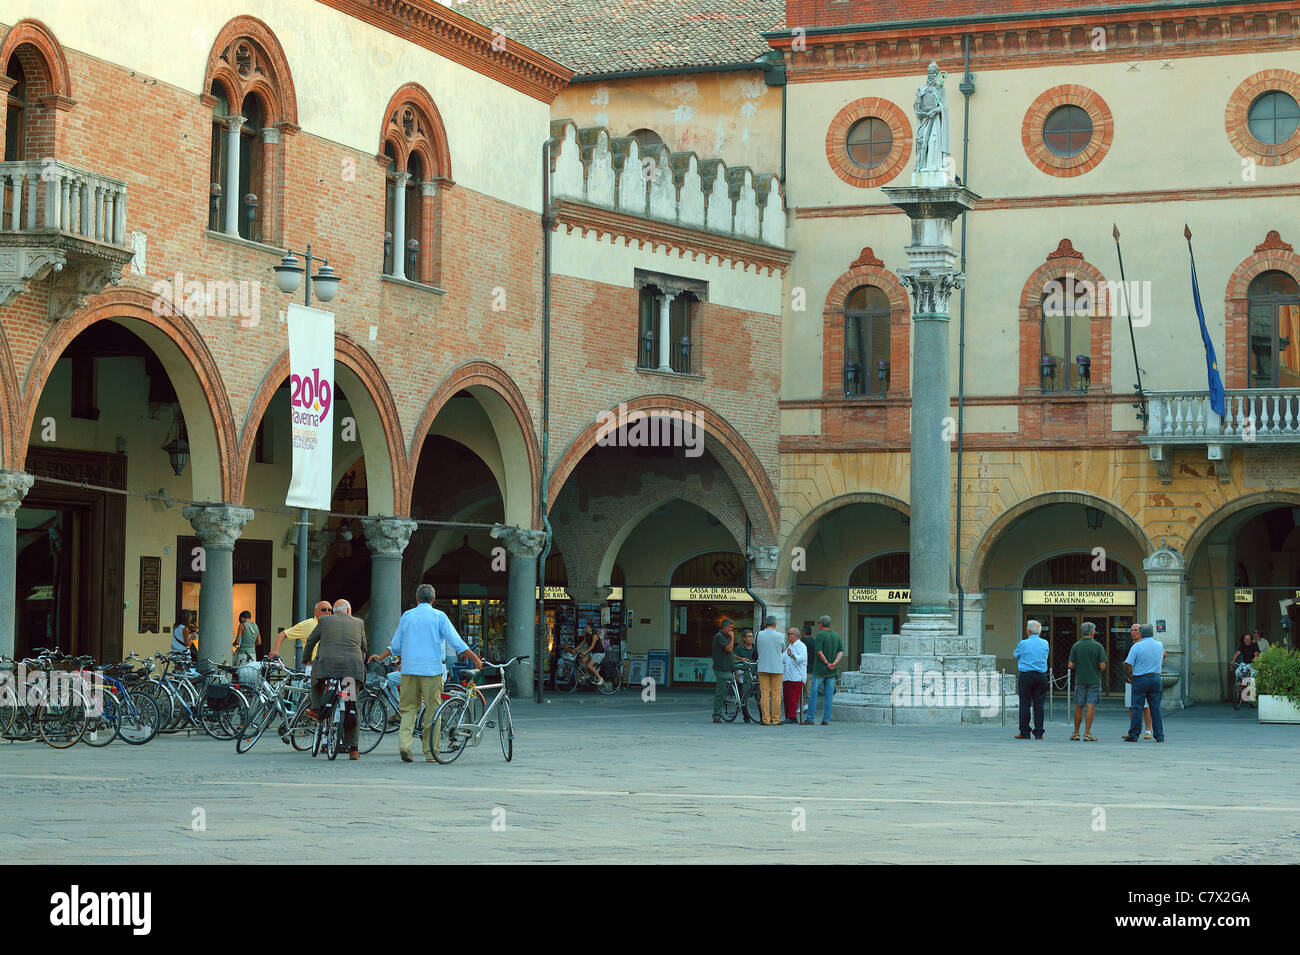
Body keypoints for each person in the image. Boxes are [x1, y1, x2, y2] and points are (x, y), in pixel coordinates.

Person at [369, 583, 483, 763]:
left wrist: (381, 656)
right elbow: (456, 642)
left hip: (409, 671)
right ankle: (431, 752)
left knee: (407, 709)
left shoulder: (408, 616)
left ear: (417, 599)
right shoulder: (439, 616)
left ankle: (405, 746)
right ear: (433, 599)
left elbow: (396, 645)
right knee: (433, 711)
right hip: (432, 671)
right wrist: (475, 659)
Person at [302, 599, 369, 760]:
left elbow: (311, 641)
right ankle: (353, 749)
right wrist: (360, 661)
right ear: (348, 611)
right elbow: (364, 648)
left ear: (335, 611)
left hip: (327, 668)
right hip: (351, 671)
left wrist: (306, 658)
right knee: (351, 702)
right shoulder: (358, 622)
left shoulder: (324, 620)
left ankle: (317, 708)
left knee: (316, 676)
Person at [1124, 624, 1165, 742]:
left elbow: (1128, 663)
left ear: (1141, 633)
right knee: (1155, 708)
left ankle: (1134, 734)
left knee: (1137, 707)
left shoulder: (1137, 646)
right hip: (1156, 678)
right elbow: (1163, 657)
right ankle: (1159, 734)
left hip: (1140, 678)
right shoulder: (1159, 645)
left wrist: (1128, 674)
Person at [1068, 621, 1106, 741]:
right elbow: (1102, 666)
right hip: (1094, 679)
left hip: (1080, 679)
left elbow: (1070, 665)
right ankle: (1087, 733)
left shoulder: (1076, 646)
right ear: (1092, 632)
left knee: (1079, 705)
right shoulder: (1098, 646)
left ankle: (1075, 732)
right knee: (1090, 706)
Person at [271, 601, 331, 671]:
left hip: (330, 668)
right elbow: (283, 634)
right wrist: (276, 650)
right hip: (314, 668)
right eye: (323, 610)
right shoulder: (307, 624)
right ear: (315, 611)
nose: (327, 612)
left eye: (329, 610)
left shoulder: (333, 625)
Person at [1014, 620, 1049, 739]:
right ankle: (1039, 732)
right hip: (1041, 675)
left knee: (1025, 704)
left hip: (1026, 675)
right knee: (1039, 705)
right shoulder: (1045, 643)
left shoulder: (1023, 643)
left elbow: (1016, 655)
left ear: (1028, 631)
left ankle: (1024, 731)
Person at [806, 615, 843, 725]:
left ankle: (810, 718)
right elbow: (841, 651)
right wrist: (834, 664)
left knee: (813, 694)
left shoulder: (820, 635)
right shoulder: (836, 636)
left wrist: (827, 663)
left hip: (819, 671)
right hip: (832, 671)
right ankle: (826, 719)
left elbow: (819, 652)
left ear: (821, 624)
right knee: (829, 695)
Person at [1122, 622, 1154, 739]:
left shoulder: (1145, 644)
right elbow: (1125, 662)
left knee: (1145, 706)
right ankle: (1133, 729)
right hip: (1130, 679)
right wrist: (1127, 674)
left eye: (1136, 630)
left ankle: (1148, 730)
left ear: (1141, 632)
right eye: (1131, 630)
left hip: (1141, 678)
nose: (1133, 632)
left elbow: (1163, 655)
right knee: (1131, 706)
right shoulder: (1129, 645)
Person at [754, 616, 785, 726]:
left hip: (763, 667)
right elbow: (782, 649)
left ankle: (765, 719)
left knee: (764, 694)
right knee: (776, 694)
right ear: (775, 624)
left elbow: (757, 648)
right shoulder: (780, 635)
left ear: (765, 624)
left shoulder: (759, 634)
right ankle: (776, 719)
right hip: (776, 667)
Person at [711, 618, 736, 724]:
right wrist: (732, 638)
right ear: (724, 627)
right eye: (730, 627)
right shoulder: (719, 636)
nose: (732, 630)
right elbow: (728, 649)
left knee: (725, 691)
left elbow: (730, 653)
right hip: (721, 668)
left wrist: (740, 658)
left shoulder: (726, 636)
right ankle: (716, 715)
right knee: (720, 692)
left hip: (728, 667)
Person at [782, 626, 808, 724]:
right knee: (787, 697)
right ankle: (788, 715)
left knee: (793, 698)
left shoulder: (801, 646)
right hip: (788, 675)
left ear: (795, 635)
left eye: (789, 634)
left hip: (797, 676)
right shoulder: (790, 646)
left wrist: (792, 655)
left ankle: (792, 716)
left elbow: (802, 658)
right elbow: (783, 657)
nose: (788, 636)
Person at [733, 629, 758, 723]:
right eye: (749, 636)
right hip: (742, 674)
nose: (751, 638)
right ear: (744, 638)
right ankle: (746, 716)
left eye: (752, 636)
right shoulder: (739, 649)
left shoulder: (755, 648)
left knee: (757, 695)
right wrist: (736, 676)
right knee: (743, 694)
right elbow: (735, 660)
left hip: (753, 674)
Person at [799, 626, 817, 722]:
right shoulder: (814, 641)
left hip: (804, 668)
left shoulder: (803, 642)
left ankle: (804, 705)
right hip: (812, 668)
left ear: (804, 633)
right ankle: (809, 706)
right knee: (809, 689)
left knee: (801, 688)